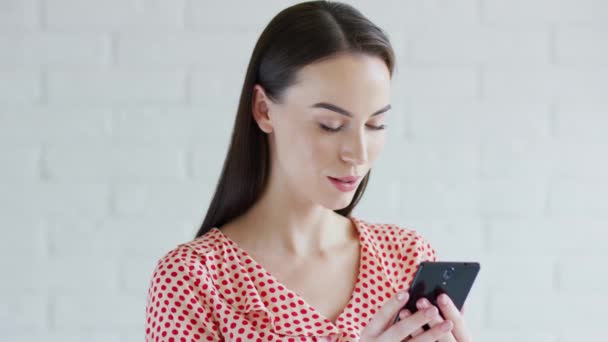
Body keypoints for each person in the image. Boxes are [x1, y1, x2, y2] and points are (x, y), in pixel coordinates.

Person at [144, 1, 472, 341]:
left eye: (376, 124)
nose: (358, 153)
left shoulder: (404, 257)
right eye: (330, 125)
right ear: (263, 110)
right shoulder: (193, 278)